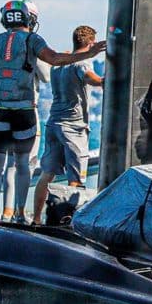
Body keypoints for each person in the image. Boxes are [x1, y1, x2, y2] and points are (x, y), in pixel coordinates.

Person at [0, 0, 106, 224]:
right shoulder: (32, 40)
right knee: (22, 163)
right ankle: (18, 214)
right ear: (30, 20)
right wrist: (89, 54)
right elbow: (55, 59)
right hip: (24, 112)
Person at [32, 26, 103, 224]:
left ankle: (36, 219)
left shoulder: (58, 65)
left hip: (54, 122)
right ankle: (69, 221)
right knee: (76, 178)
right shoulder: (81, 65)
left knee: (47, 174)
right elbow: (96, 81)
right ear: (91, 44)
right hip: (73, 127)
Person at [2, 57, 49, 221]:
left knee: (10, 165)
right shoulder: (31, 51)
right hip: (27, 112)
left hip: (6, 110)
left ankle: (7, 211)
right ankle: (19, 212)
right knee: (28, 163)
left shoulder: (3, 50)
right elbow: (46, 76)